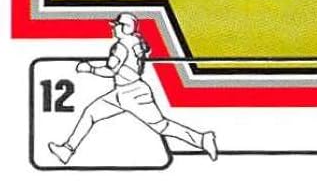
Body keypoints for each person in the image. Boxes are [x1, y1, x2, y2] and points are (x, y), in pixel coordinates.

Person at [48, 13, 217, 165]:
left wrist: (89, 68)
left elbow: (110, 71)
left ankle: (202, 139)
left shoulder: (121, 46)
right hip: (122, 93)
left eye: (117, 26)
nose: (114, 28)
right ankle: (67, 150)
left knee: (162, 127)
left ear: (125, 28)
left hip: (133, 94)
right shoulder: (137, 41)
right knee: (91, 113)